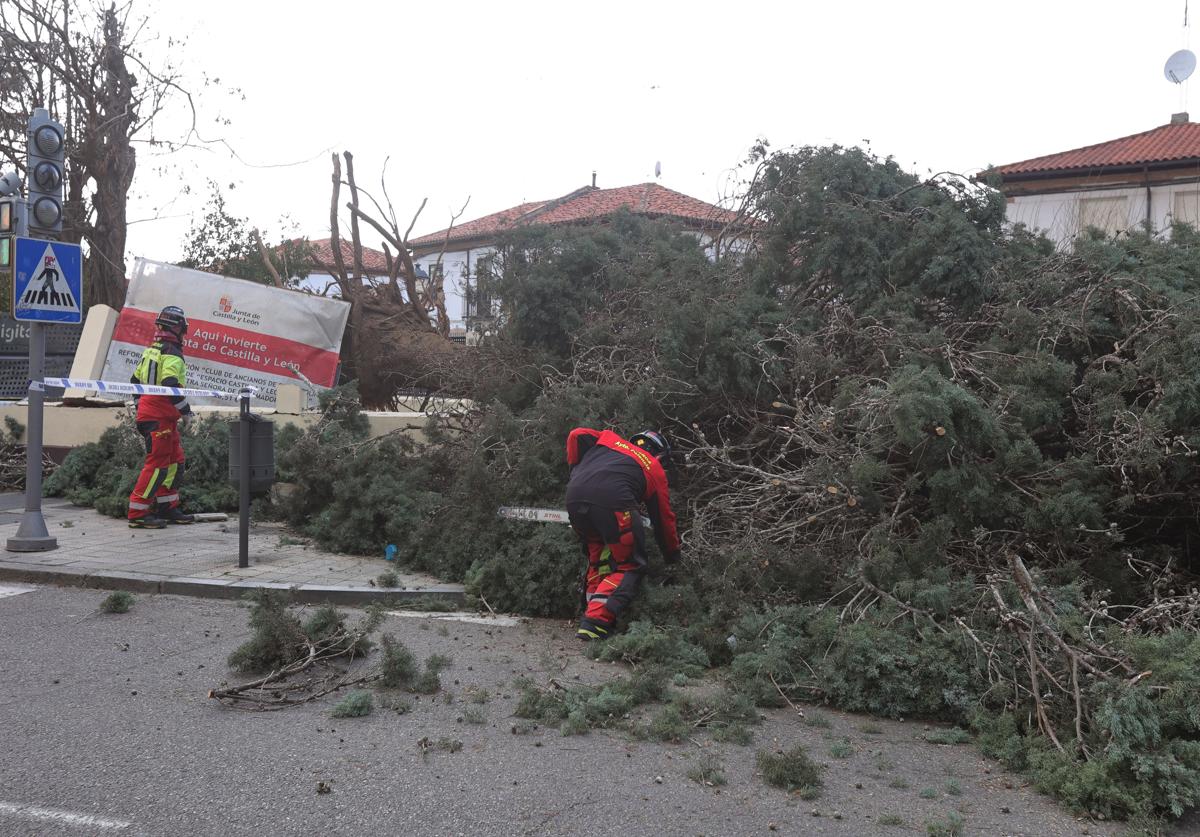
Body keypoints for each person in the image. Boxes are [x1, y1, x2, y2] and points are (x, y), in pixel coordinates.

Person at [565, 427, 681, 641]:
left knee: (598, 557)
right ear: (660, 454)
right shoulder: (652, 465)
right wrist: (672, 554)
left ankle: (590, 607)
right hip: (615, 504)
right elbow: (663, 520)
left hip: (573, 496)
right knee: (631, 565)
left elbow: (576, 434)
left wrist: (576, 472)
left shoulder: (608, 439)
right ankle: (596, 622)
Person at [126, 305, 195, 529]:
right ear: (178, 328)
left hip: (161, 417)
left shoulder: (152, 350)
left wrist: (140, 407)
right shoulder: (172, 354)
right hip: (159, 417)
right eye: (183, 328)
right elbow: (170, 384)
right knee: (157, 466)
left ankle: (167, 507)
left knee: (175, 462)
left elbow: (135, 381)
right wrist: (186, 412)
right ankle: (137, 512)